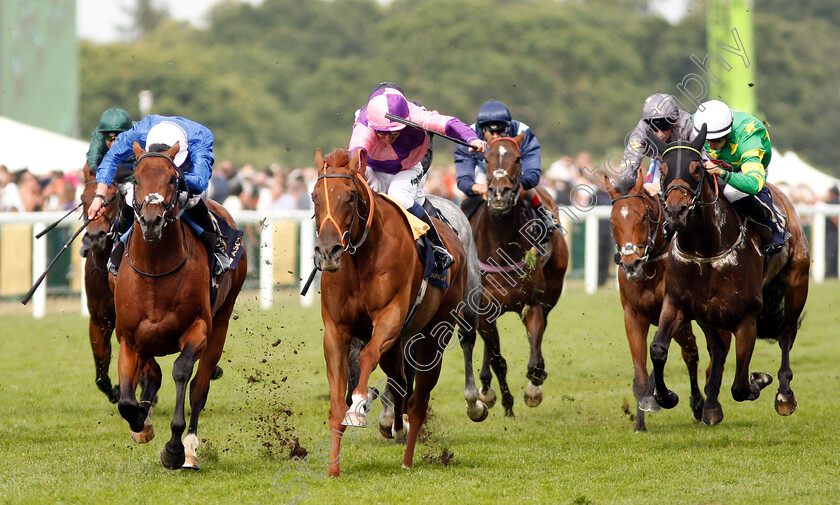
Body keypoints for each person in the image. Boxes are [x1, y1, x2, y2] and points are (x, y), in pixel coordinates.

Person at [349, 84, 486, 270]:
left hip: (409, 166)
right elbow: (356, 152)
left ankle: (439, 245)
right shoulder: (364, 123)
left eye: (394, 132)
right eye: (382, 133)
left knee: (399, 198)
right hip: (374, 168)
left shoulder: (415, 114)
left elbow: (447, 123)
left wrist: (471, 138)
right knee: (370, 201)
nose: (388, 138)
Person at [87, 115, 231, 276]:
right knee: (130, 196)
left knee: (189, 199)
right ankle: (118, 243)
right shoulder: (140, 132)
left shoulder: (200, 138)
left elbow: (199, 183)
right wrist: (99, 196)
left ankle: (217, 248)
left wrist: (172, 177)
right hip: (153, 168)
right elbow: (111, 159)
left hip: (185, 170)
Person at [454, 99, 558, 241]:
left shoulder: (523, 131)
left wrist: (516, 184)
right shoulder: (468, 135)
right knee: (467, 195)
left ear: (508, 128)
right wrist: (476, 187)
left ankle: (543, 216)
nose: (495, 136)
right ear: (481, 129)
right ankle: (457, 230)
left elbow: (532, 173)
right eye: (491, 132)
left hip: (512, 174)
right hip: (484, 172)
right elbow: (463, 178)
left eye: (500, 131)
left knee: (529, 189)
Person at [694, 99, 788, 255]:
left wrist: (721, 173)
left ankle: (771, 225)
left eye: (716, 140)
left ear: (728, 133)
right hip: (714, 166)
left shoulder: (748, 138)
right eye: (706, 139)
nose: (710, 145)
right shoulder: (697, 120)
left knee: (732, 192)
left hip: (743, 170)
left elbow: (754, 184)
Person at [619, 93, 700, 196]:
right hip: (661, 161)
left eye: (664, 127)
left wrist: (662, 185)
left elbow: (702, 160)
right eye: (654, 128)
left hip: (687, 164)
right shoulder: (642, 129)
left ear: (675, 121)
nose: (659, 134)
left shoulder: (688, 124)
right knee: (649, 191)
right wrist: (627, 190)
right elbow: (629, 162)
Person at [79, 107, 135, 257]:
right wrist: (104, 177)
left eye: (117, 138)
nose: (112, 142)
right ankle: (91, 234)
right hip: (109, 167)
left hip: (132, 168)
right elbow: (92, 162)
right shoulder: (98, 135)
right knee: (92, 194)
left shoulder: (138, 137)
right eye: (109, 138)